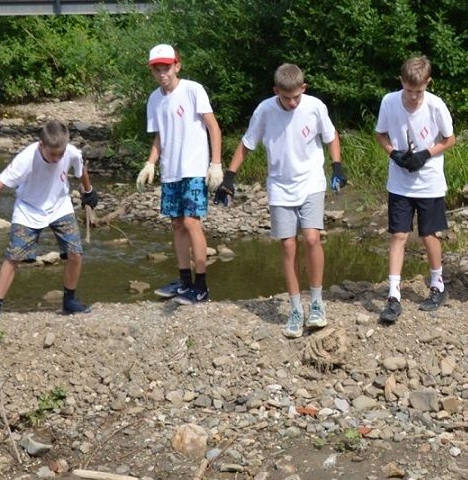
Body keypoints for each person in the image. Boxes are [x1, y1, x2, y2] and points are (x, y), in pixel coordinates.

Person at [219, 63, 344, 338]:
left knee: (312, 238)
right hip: (279, 186)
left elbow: (332, 137)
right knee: (288, 246)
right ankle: (296, 308)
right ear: (276, 91)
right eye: (286, 98)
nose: (292, 102)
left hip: (311, 181)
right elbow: (247, 144)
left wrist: (337, 166)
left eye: (296, 97)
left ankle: (317, 303)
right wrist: (229, 177)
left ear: (303, 88)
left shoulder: (314, 107)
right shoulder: (265, 110)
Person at [0, 120, 97, 330]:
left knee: (75, 253)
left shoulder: (70, 151)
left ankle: (69, 301)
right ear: (41, 145)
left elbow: (81, 167)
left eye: (60, 154)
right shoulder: (27, 159)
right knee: (13, 258)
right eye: (52, 155)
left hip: (59, 205)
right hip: (28, 209)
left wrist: (89, 190)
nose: (57, 159)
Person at [136, 43, 225, 305]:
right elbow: (160, 137)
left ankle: (202, 285)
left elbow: (213, 128)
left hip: (194, 167)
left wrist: (216, 164)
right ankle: (184, 281)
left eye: (166, 67)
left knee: (191, 222)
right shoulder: (154, 99)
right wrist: (150, 163)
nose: (162, 73)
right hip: (171, 171)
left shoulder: (193, 90)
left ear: (177, 65)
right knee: (176, 223)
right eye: (157, 69)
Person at [373, 55, 456, 323]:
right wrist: (393, 153)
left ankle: (437, 285)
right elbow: (381, 133)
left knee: (429, 233)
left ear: (427, 84)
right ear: (402, 82)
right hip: (399, 182)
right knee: (398, 235)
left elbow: (449, 138)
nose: (412, 96)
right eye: (408, 90)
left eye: (418, 91)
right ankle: (393, 295)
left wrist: (426, 154)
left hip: (429, 181)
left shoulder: (435, 105)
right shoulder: (389, 101)